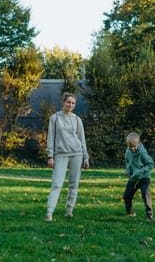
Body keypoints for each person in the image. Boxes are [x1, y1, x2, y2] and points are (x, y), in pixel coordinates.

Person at [45, 93, 90, 222]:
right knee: (57, 184)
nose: (70, 105)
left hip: (77, 154)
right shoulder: (55, 118)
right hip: (60, 154)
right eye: (68, 102)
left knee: (74, 183)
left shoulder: (77, 119)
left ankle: (69, 210)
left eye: (73, 103)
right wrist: (50, 156)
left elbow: (82, 139)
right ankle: (49, 212)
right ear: (63, 102)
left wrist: (86, 157)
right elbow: (51, 138)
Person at [123, 132, 155, 221]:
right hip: (133, 178)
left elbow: (151, 164)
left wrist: (140, 171)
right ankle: (130, 213)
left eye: (134, 146)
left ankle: (149, 215)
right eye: (130, 147)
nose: (132, 149)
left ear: (138, 143)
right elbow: (127, 162)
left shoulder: (143, 153)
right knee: (127, 195)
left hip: (144, 177)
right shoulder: (128, 152)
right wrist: (128, 171)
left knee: (145, 195)